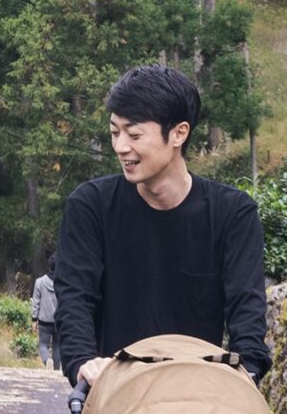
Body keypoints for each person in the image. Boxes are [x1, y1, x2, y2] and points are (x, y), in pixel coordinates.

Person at [52, 64, 271, 391]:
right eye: (115, 133)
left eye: (135, 134)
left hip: (197, 397)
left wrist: (247, 369)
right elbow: (74, 298)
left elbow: (246, 309)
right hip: (113, 391)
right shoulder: (91, 205)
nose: (121, 146)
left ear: (179, 133)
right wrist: (83, 362)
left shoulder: (233, 214)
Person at [31, 271, 59, 369]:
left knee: (42, 344)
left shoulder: (40, 282)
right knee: (57, 346)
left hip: (44, 320)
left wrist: (34, 319)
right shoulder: (62, 282)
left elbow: (36, 302)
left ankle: (47, 360)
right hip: (58, 320)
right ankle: (56, 369)